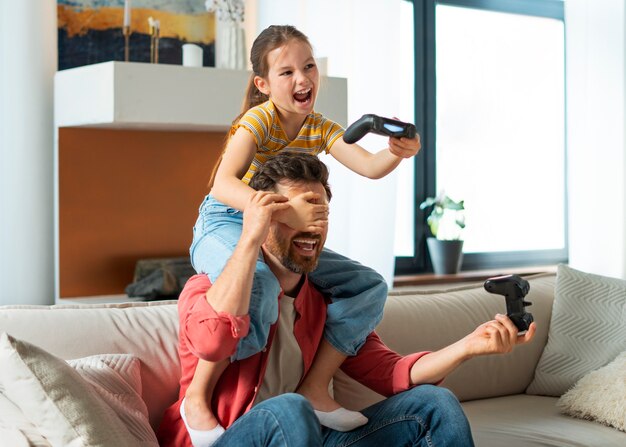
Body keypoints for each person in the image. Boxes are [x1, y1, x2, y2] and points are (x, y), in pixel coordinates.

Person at [158, 153, 537, 447]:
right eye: (300, 210)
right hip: (227, 438)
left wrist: (468, 347)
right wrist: (249, 238)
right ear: (265, 216)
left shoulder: (329, 305)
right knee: (291, 409)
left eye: (322, 211)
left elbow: (389, 373)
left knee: (435, 405)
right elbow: (212, 341)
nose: (316, 225)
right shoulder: (209, 288)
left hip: (310, 438)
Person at [186, 24, 422, 440]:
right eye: (287, 71)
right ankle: (199, 395)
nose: (302, 79)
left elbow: (368, 167)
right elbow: (222, 183)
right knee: (257, 283)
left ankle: (314, 388)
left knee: (368, 285)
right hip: (224, 220)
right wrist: (287, 209)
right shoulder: (258, 120)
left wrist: (396, 153)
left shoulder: (318, 126)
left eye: (309, 67)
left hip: (277, 225)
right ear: (262, 84)